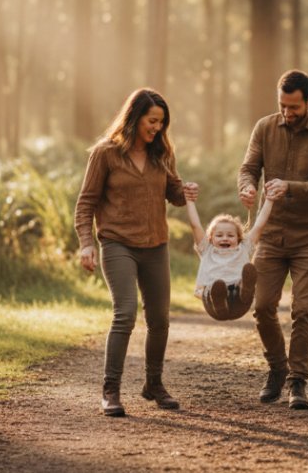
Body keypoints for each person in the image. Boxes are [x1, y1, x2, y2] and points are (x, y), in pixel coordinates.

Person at [74, 88, 189, 417]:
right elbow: (86, 203)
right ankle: (110, 390)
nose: (157, 128)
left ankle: (153, 384)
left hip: (156, 244)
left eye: (161, 123)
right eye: (152, 121)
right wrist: (86, 243)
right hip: (117, 243)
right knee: (124, 313)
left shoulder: (162, 152)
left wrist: (185, 190)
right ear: (134, 117)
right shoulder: (105, 153)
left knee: (160, 320)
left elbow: (175, 194)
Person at [238, 69, 308, 410]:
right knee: (263, 306)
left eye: (294, 107)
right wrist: (247, 186)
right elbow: (249, 167)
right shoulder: (264, 127)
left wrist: (289, 187)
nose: (287, 113)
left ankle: (298, 381)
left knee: (303, 310)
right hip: (268, 233)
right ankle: (277, 369)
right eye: (282, 105)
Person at [186, 196, 275, 320]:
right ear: (210, 238)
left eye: (230, 235)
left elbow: (259, 226)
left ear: (238, 238)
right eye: (219, 235)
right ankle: (220, 302)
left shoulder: (244, 249)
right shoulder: (207, 249)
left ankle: (245, 289)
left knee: (245, 275)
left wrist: (270, 200)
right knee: (216, 288)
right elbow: (195, 225)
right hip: (212, 304)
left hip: (240, 303)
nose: (225, 238)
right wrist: (189, 201)